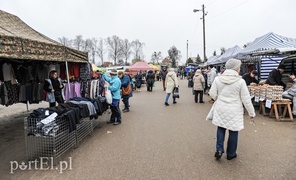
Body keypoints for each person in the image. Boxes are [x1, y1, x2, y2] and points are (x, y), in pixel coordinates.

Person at [209, 59, 255, 160]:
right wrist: (251, 112)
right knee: (234, 130)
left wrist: (218, 98)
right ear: (236, 68)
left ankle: (219, 149)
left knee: (221, 127)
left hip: (221, 107)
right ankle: (231, 154)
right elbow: (246, 99)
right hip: (235, 109)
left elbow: (212, 93)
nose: (240, 68)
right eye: (239, 66)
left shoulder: (218, 79)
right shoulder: (241, 81)